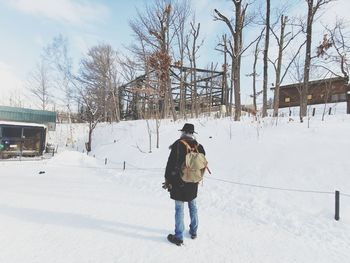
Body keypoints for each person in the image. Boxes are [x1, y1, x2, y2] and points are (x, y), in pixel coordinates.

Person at [163, 123, 206, 246]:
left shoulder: (178, 144)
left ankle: (179, 237)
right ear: (192, 133)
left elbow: (170, 163)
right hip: (193, 181)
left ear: (183, 132)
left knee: (179, 209)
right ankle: (193, 232)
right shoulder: (199, 146)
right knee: (193, 206)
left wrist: (167, 179)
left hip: (178, 182)